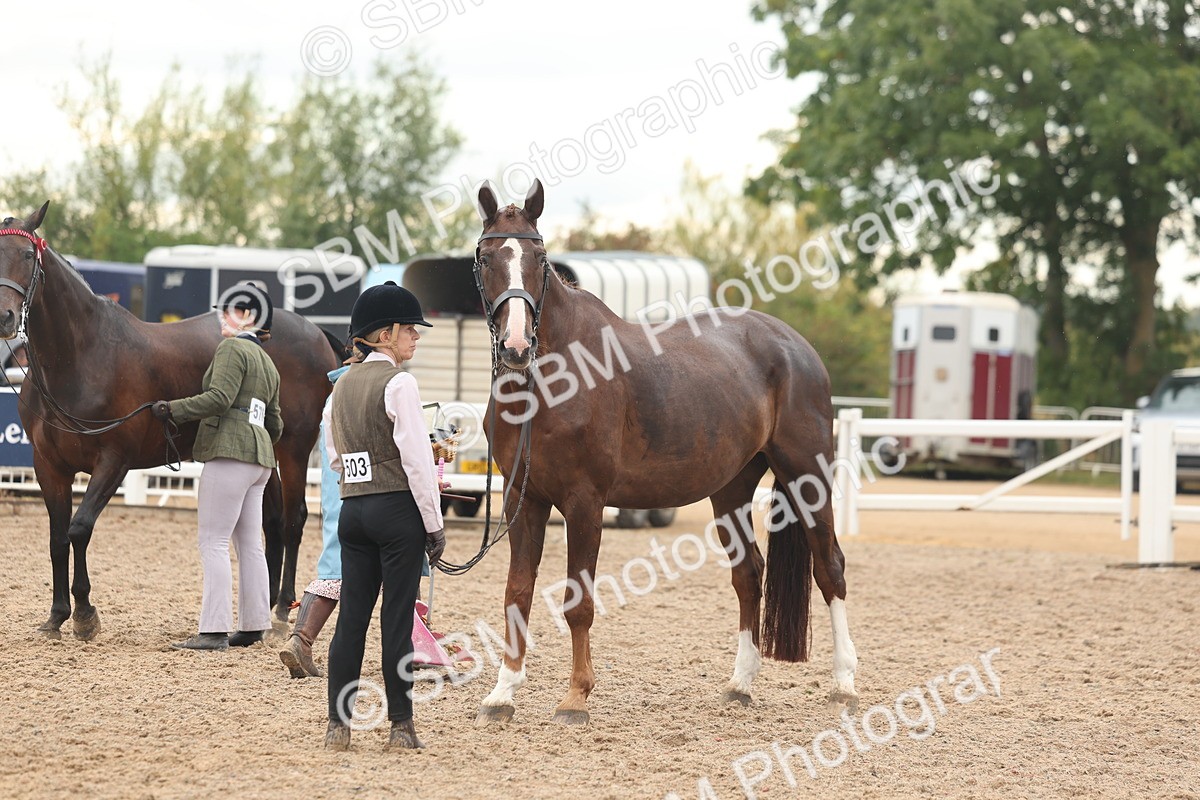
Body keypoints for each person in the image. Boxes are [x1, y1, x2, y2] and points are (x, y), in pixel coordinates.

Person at [279, 345, 460, 678]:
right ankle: (415, 646)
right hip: (382, 497)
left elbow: (339, 456)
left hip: (344, 494)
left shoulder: (338, 394)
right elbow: (395, 451)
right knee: (400, 567)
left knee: (333, 569)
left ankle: (301, 639)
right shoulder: (386, 386)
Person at [323, 281, 445, 752]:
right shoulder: (400, 383)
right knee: (396, 621)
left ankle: (338, 727)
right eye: (409, 329)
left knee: (351, 619)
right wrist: (433, 525)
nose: (416, 336)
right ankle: (400, 727)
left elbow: (336, 459)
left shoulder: (341, 386)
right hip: (397, 513)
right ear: (385, 334)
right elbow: (417, 461)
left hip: (353, 511)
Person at [152, 286, 282, 651]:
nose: (220, 318)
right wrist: (255, 438)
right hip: (259, 461)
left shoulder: (231, 348)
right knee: (250, 544)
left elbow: (220, 398)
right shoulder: (268, 363)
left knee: (213, 541)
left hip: (229, 454)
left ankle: (213, 631)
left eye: (228, 311)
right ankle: (254, 626)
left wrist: (172, 409)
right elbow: (275, 424)